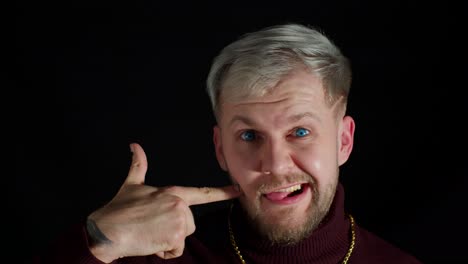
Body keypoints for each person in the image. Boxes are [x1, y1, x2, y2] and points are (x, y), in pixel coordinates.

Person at [34, 23, 422, 264]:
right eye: (249, 136)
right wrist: (96, 243)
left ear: (343, 141)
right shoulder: (160, 258)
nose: (274, 164)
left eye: (299, 132)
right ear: (220, 149)